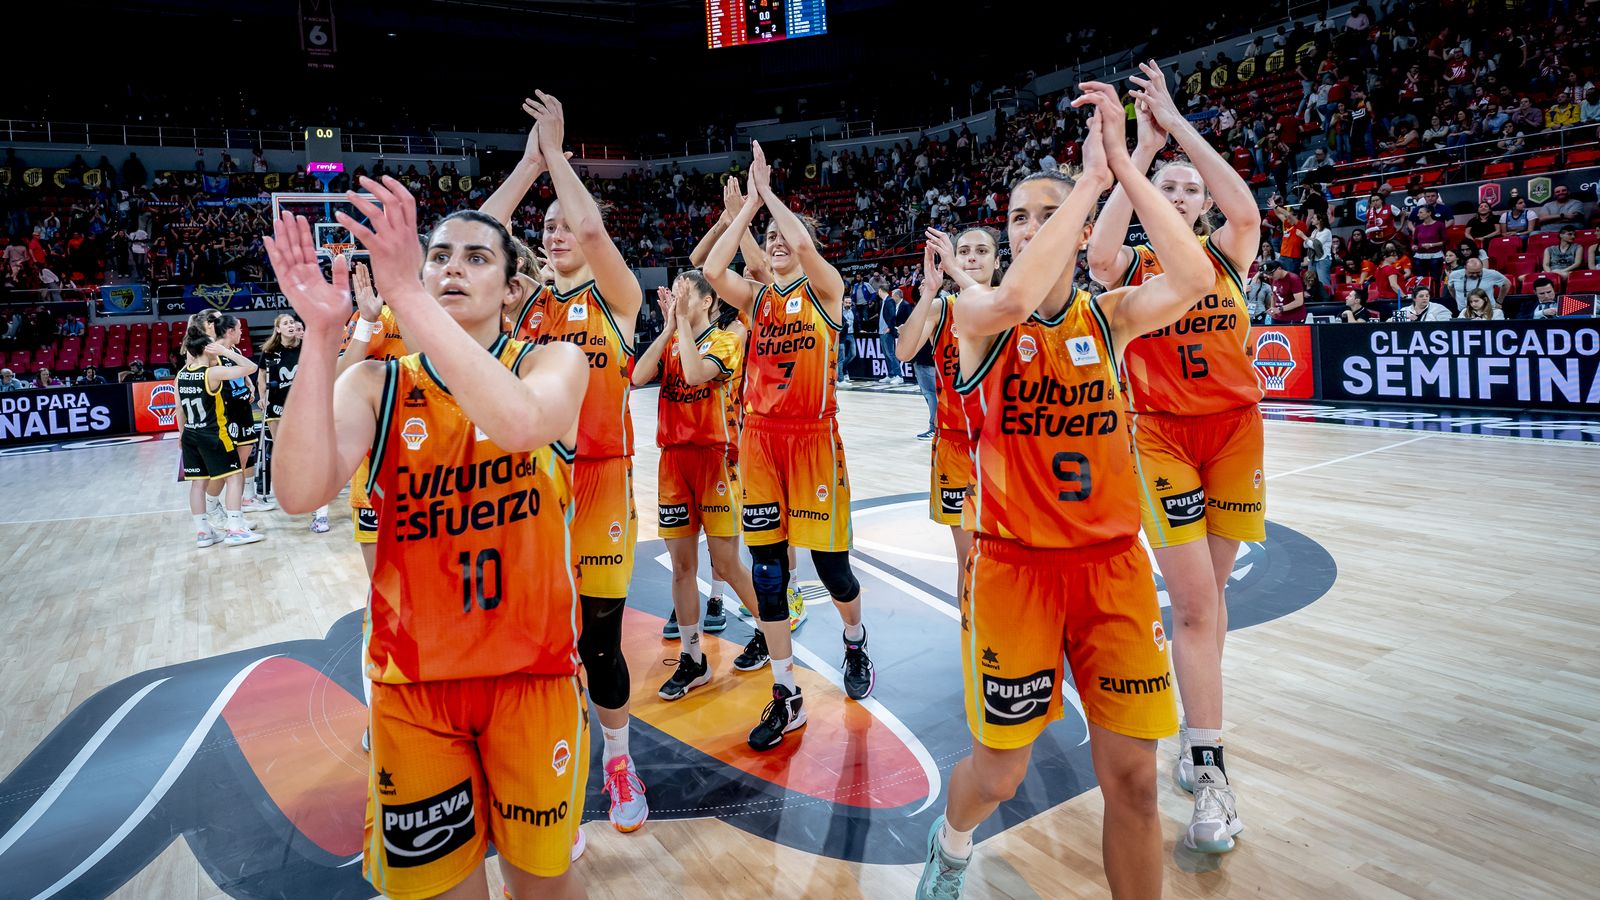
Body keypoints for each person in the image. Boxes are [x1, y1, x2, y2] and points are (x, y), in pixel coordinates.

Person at [917, 81, 1208, 900]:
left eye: (1051, 214)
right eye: (1020, 216)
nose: (1033, 226)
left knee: (1137, 784)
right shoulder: (974, 310)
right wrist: (1084, 187)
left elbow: (1191, 278)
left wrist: (1125, 167)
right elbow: (1011, 297)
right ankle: (952, 839)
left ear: (1080, 233)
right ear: (1006, 233)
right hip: (1017, 572)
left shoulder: (1108, 316)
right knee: (1001, 773)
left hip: (1112, 568)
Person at [265, 178, 591, 900]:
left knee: (545, 888)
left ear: (512, 290)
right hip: (414, 691)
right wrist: (321, 337)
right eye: (438, 255)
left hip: (530, 680)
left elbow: (519, 426)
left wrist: (407, 295)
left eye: (477, 258)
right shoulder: (377, 385)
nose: (450, 268)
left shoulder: (555, 362)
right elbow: (296, 492)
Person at [1086, 56, 1265, 856]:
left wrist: (1180, 130)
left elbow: (1246, 206)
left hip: (1233, 435)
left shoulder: (1227, 253)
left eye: (1194, 191)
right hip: (1157, 437)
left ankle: (1199, 731)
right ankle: (1211, 768)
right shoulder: (1139, 267)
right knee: (1195, 607)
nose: (1187, 197)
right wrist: (1142, 159)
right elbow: (1095, 257)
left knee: (1209, 604)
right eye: (1176, 189)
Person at [485, 92, 649, 832]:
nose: (556, 234)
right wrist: (529, 167)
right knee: (540, 641)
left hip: (604, 485)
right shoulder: (520, 310)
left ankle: (618, 759)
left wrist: (555, 155)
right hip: (535, 488)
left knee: (601, 639)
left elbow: (587, 219)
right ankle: (551, 763)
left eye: (565, 226)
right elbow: (471, 238)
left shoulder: (618, 300)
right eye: (544, 227)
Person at [704, 139, 877, 751]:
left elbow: (801, 245)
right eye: (769, 242)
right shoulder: (757, 301)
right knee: (770, 571)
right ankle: (787, 694)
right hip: (760, 442)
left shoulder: (825, 291)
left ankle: (855, 643)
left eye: (783, 239)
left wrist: (770, 198)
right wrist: (744, 211)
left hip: (813, 442)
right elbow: (710, 274)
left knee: (831, 568)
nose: (777, 246)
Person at [631, 273, 761, 701]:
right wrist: (670, 325)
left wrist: (681, 325)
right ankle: (692, 658)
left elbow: (692, 372)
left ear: (707, 302)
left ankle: (767, 630)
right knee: (683, 567)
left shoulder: (726, 341)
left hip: (715, 460)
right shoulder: (673, 337)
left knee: (725, 563)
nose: (678, 301)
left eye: (686, 295)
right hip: (673, 462)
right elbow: (637, 376)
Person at [891, 227, 996, 599]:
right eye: (964, 250)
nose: (971, 257)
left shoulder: (1012, 305)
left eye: (982, 251)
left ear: (998, 261)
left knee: (1011, 553)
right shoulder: (942, 308)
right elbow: (903, 351)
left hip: (1006, 447)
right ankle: (973, 639)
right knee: (969, 557)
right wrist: (930, 290)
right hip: (955, 448)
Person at [173, 325, 262, 549]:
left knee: (197, 485)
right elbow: (251, 367)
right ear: (207, 350)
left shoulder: (181, 375)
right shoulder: (212, 373)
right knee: (233, 477)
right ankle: (235, 529)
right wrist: (227, 352)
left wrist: (181, 435)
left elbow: (179, 410)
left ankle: (203, 532)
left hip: (191, 435)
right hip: (213, 434)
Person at [256, 312, 328, 532]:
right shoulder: (269, 352)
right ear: (278, 329)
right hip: (277, 408)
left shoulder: (307, 347)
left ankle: (320, 509)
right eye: (284, 323)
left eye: (291, 323)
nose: (289, 326)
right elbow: (261, 375)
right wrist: (262, 396)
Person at [894, 257, 947, 441]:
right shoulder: (927, 306)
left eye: (923, 283)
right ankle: (936, 425)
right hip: (924, 357)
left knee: (931, 394)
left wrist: (907, 332)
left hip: (927, 358)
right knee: (931, 394)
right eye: (921, 283)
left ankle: (934, 426)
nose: (920, 286)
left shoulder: (938, 305)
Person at [877, 283, 905, 384]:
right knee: (886, 354)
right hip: (881, 331)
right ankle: (891, 374)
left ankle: (899, 376)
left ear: (880, 290)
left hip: (887, 332)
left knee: (891, 354)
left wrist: (889, 327)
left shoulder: (889, 301)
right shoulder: (884, 301)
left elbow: (893, 315)